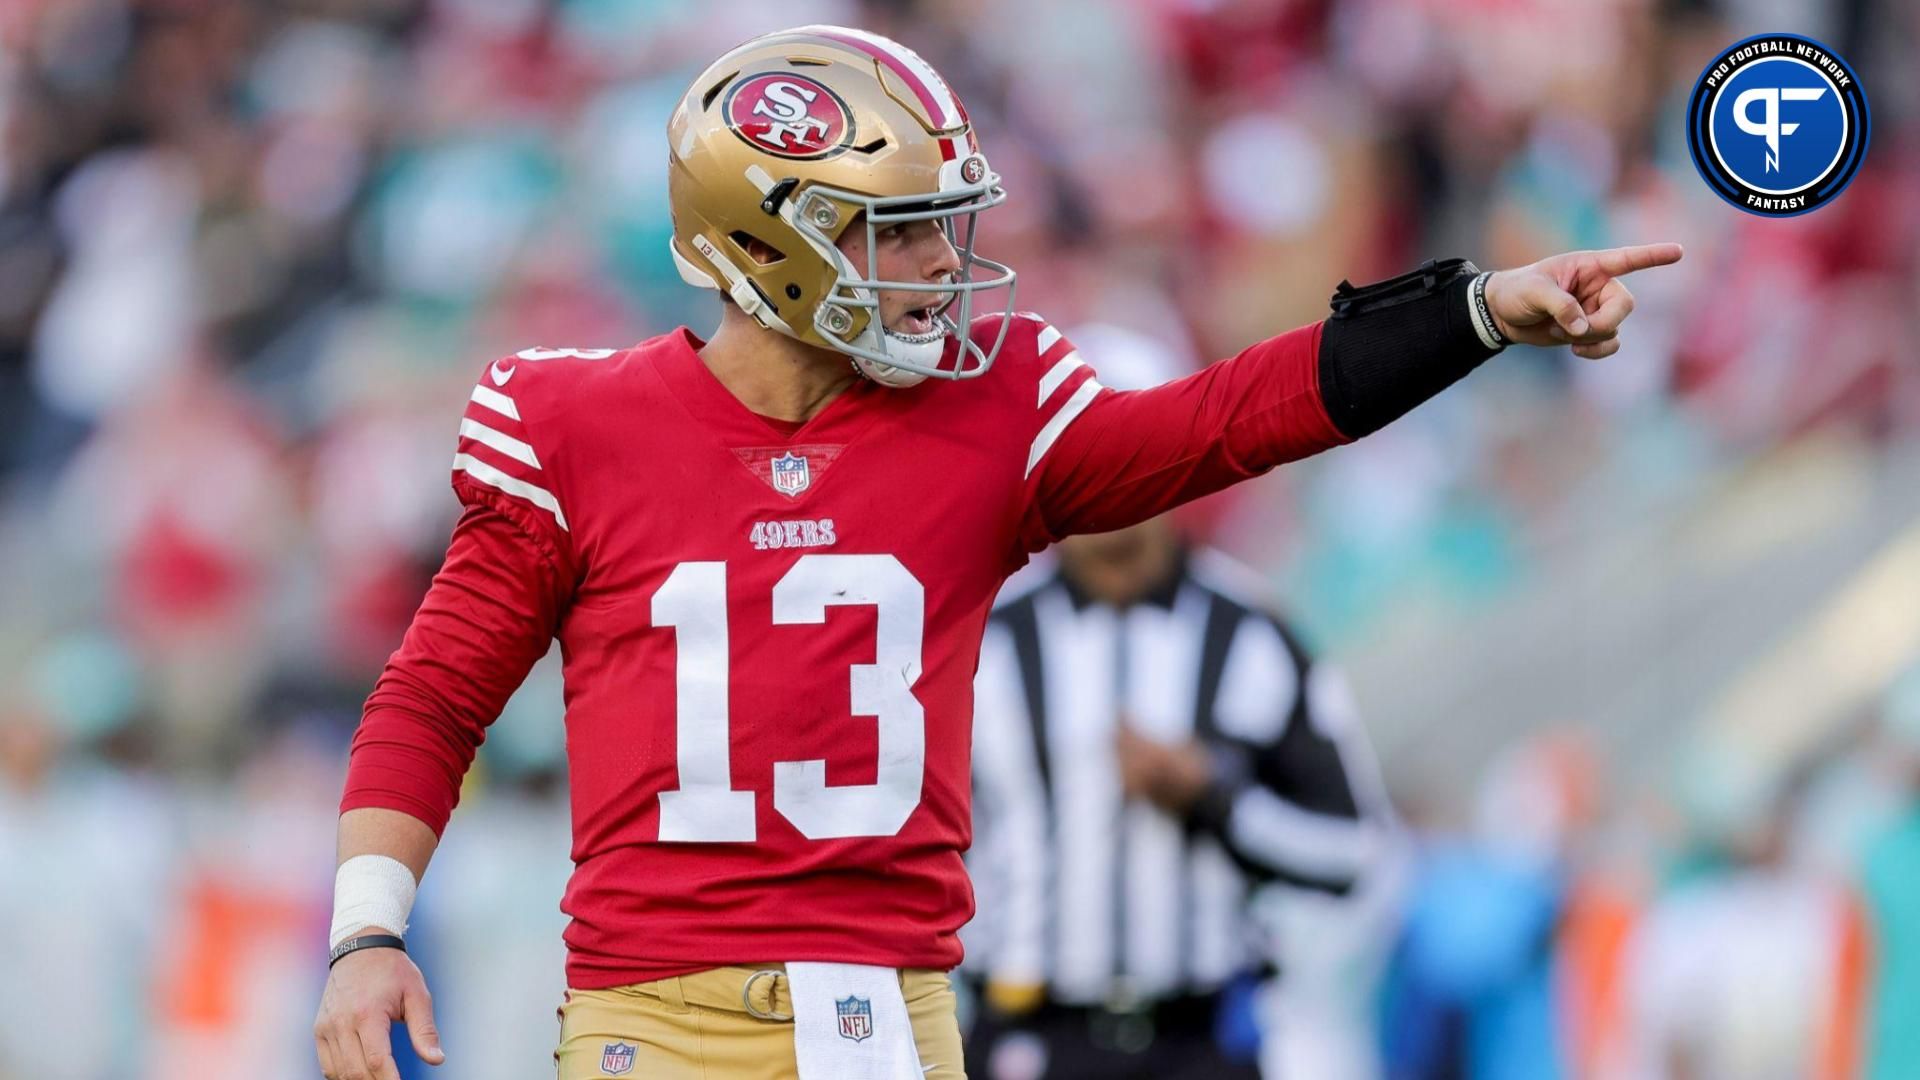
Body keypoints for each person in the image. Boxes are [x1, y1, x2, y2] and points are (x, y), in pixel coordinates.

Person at [311, 23, 1681, 1080]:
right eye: (897, 232)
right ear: (768, 242)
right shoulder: (571, 423)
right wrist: (369, 930)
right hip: (655, 1019)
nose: (937, 266)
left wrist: (1481, 313)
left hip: (899, 1017)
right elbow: (434, 695)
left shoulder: (989, 410)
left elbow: (1230, 420)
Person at [964, 480, 1394, 1080]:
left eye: (1123, 454)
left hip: (1199, 1040)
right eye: (1084, 457)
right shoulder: (983, 635)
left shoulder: (1254, 629)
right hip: (1024, 1034)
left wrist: (1217, 800)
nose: (1104, 478)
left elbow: (1354, 853)